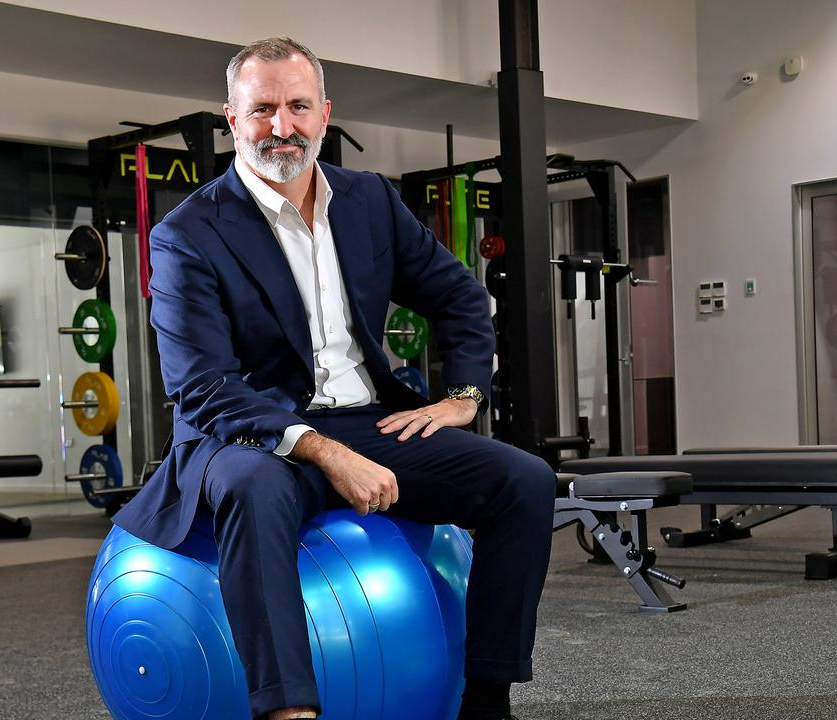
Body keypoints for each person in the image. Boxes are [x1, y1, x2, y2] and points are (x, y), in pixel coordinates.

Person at [112, 37, 556, 720]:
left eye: (297, 106)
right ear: (231, 118)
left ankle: (487, 700)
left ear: (324, 112)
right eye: (261, 110)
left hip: (366, 418)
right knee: (253, 487)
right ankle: (288, 711)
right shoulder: (187, 234)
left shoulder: (368, 200)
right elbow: (202, 385)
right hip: (247, 434)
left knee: (523, 481)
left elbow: (461, 297)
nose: (281, 128)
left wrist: (464, 397)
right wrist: (322, 450)